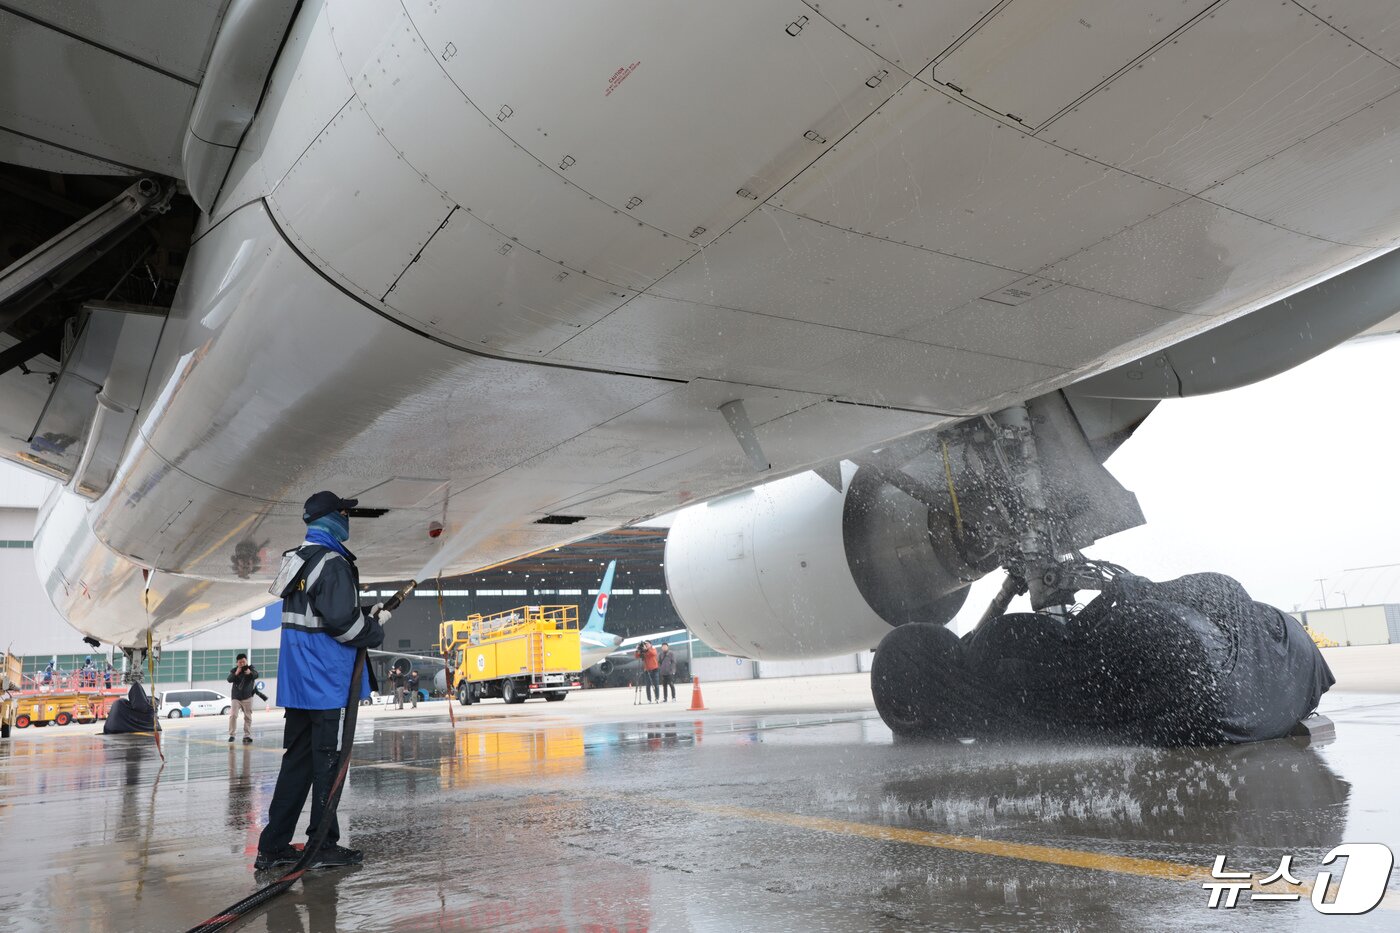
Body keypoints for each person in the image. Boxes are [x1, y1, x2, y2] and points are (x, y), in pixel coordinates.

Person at [255, 491, 387, 871]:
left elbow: (321, 612)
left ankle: (274, 846)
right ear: (332, 518)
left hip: (299, 682)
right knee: (328, 765)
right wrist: (374, 629)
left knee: (296, 764)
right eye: (345, 513)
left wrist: (362, 612)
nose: (348, 519)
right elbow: (344, 626)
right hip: (326, 681)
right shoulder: (332, 563)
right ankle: (322, 845)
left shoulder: (296, 560)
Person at [227, 653, 259, 743]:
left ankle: (247, 736)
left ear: (246, 661)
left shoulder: (251, 668)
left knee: (248, 717)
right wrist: (236, 673)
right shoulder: (234, 670)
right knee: (233, 715)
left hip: (248, 697)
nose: (242, 664)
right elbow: (229, 679)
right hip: (236, 698)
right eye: (240, 662)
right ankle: (232, 735)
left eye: (244, 662)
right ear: (237, 663)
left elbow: (256, 675)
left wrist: (250, 673)